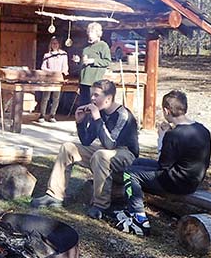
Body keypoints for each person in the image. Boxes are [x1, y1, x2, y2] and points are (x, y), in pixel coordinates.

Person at [31, 79, 139, 219]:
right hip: (106, 151)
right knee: (68, 148)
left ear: (108, 99)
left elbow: (111, 144)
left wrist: (97, 119)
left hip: (126, 154)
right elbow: (86, 141)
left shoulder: (123, 115)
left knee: (101, 155)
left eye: (96, 95)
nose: (92, 99)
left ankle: (101, 205)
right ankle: (54, 196)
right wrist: (80, 122)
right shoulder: (99, 111)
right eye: (91, 95)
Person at [114, 90, 211, 237]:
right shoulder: (202, 129)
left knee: (129, 174)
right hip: (193, 178)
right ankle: (128, 202)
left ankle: (139, 219)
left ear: (166, 110)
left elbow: (163, 164)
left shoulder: (174, 135)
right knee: (136, 162)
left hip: (177, 183)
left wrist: (162, 138)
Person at [72, 22, 112, 106]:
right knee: (83, 106)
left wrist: (93, 60)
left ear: (98, 33)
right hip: (83, 82)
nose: (90, 34)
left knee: (93, 107)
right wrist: (79, 60)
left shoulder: (103, 46)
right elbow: (83, 64)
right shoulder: (86, 48)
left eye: (92, 32)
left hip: (94, 82)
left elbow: (107, 61)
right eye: (89, 32)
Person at [37, 36, 69, 123]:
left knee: (56, 97)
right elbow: (43, 67)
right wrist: (50, 72)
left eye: (56, 43)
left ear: (59, 44)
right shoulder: (47, 55)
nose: (54, 45)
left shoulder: (63, 54)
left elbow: (65, 66)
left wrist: (63, 72)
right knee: (45, 97)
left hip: (58, 78)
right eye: (53, 43)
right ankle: (42, 114)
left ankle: (52, 114)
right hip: (49, 78)